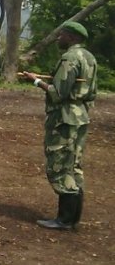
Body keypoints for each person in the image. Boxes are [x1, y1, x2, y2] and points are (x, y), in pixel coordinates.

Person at [20, 22, 96, 230]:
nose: (58, 38)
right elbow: (92, 92)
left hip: (64, 118)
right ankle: (72, 218)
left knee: (60, 164)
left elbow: (58, 92)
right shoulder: (89, 58)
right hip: (81, 116)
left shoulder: (69, 58)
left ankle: (64, 220)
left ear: (71, 37)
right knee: (74, 164)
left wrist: (36, 81)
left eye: (61, 34)